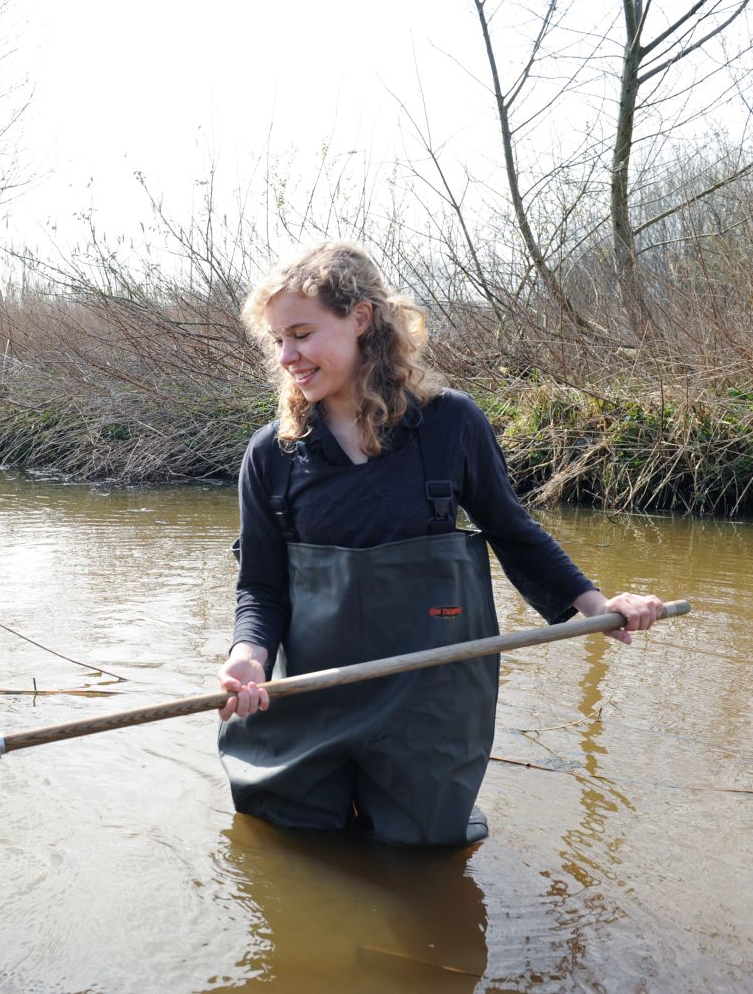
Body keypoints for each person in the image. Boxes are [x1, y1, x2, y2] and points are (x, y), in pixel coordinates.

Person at [217, 241, 663, 847]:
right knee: (291, 843)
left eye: (301, 333)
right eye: (278, 341)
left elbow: (514, 533)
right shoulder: (271, 453)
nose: (287, 356)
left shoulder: (450, 423)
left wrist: (597, 607)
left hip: (428, 706)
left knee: (423, 851)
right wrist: (249, 657)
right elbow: (262, 586)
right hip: (313, 699)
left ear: (361, 319)